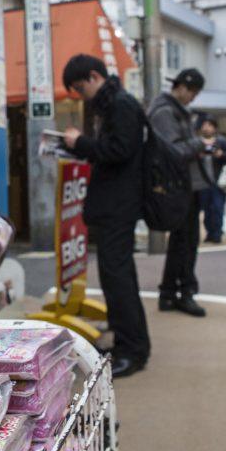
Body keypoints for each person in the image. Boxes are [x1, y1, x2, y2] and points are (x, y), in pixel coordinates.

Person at [61, 54, 149, 378]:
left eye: (80, 88)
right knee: (116, 276)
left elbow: (118, 151)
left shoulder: (120, 104)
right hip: (115, 203)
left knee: (118, 276)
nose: (81, 96)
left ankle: (133, 350)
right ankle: (127, 343)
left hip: (119, 204)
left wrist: (80, 143)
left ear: (94, 76)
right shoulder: (114, 103)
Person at [148, 68, 210, 317]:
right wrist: (200, 144)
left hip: (181, 186)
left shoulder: (171, 109)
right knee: (185, 241)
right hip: (178, 187)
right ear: (182, 87)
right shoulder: (165, 112)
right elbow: (174, 151)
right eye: (193, 92)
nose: (193, 97)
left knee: (182, 241)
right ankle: (183, 293)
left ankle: (170, 293)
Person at [196, 115, 226, 244]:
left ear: (215, 127)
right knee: (206, 209)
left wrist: (221, 154)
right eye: (204, 125)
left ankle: (217, 233)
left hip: (219, 182)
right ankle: (210, 233)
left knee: (218, 208)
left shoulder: (221, 142)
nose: (206, 128)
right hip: (202, 181)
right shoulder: (197, 143)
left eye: (209, 125)